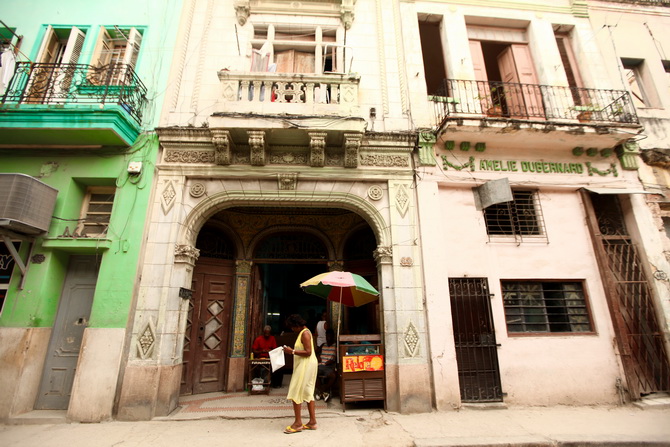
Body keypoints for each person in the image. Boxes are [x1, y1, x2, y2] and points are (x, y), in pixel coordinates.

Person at [282, 314, 318, 434]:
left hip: (306, 365)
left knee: (296, 391)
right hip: (306, 364)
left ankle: (298, 423)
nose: (292, 329)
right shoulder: (304, 332)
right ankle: (312, 422)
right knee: (308, 391)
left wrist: (291, 351)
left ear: (297, 325)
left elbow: (308, 352)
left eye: (293, 327)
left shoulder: (305, 333)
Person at [315, 329, 337, 402]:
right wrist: (318, 357)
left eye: (330, 336)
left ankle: (322, 391)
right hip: (320, 365)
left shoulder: (335, 345)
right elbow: (315, 352)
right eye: (327, 336)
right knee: (312, 374)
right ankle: (324, 392)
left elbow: (336, 357)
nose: (328, 338)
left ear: (333, 336)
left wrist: (331, 361)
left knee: (333, 376)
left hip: (329, 366)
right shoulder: (323, 345)